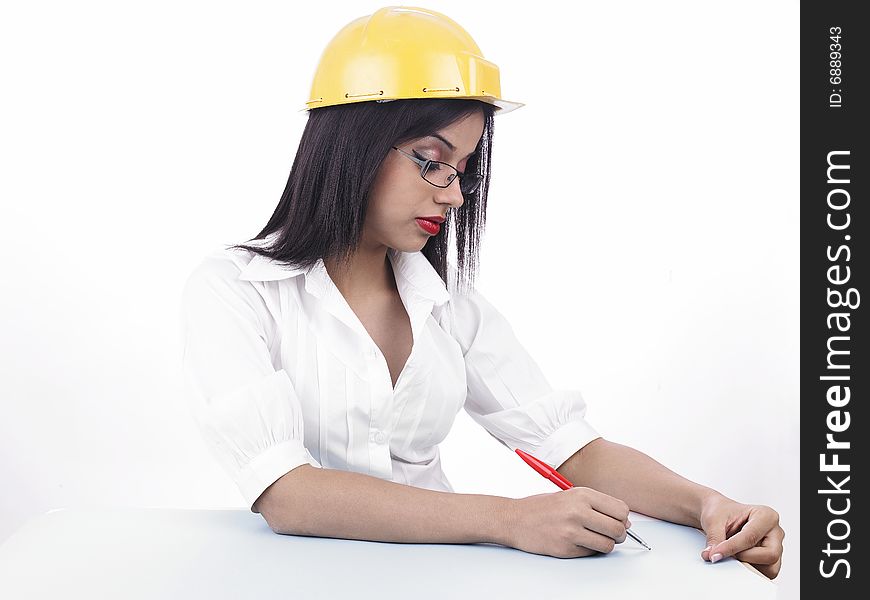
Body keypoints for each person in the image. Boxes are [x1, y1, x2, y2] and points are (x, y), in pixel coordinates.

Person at [180, 6, 784, 580]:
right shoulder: (237, 290)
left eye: (462, 168)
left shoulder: (450, 307)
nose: (453, 194)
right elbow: (288, 494)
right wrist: (511, 519)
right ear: (351, 148)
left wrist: (709, 504)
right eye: (429, 160)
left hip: (441, 580)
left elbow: (571, 448)